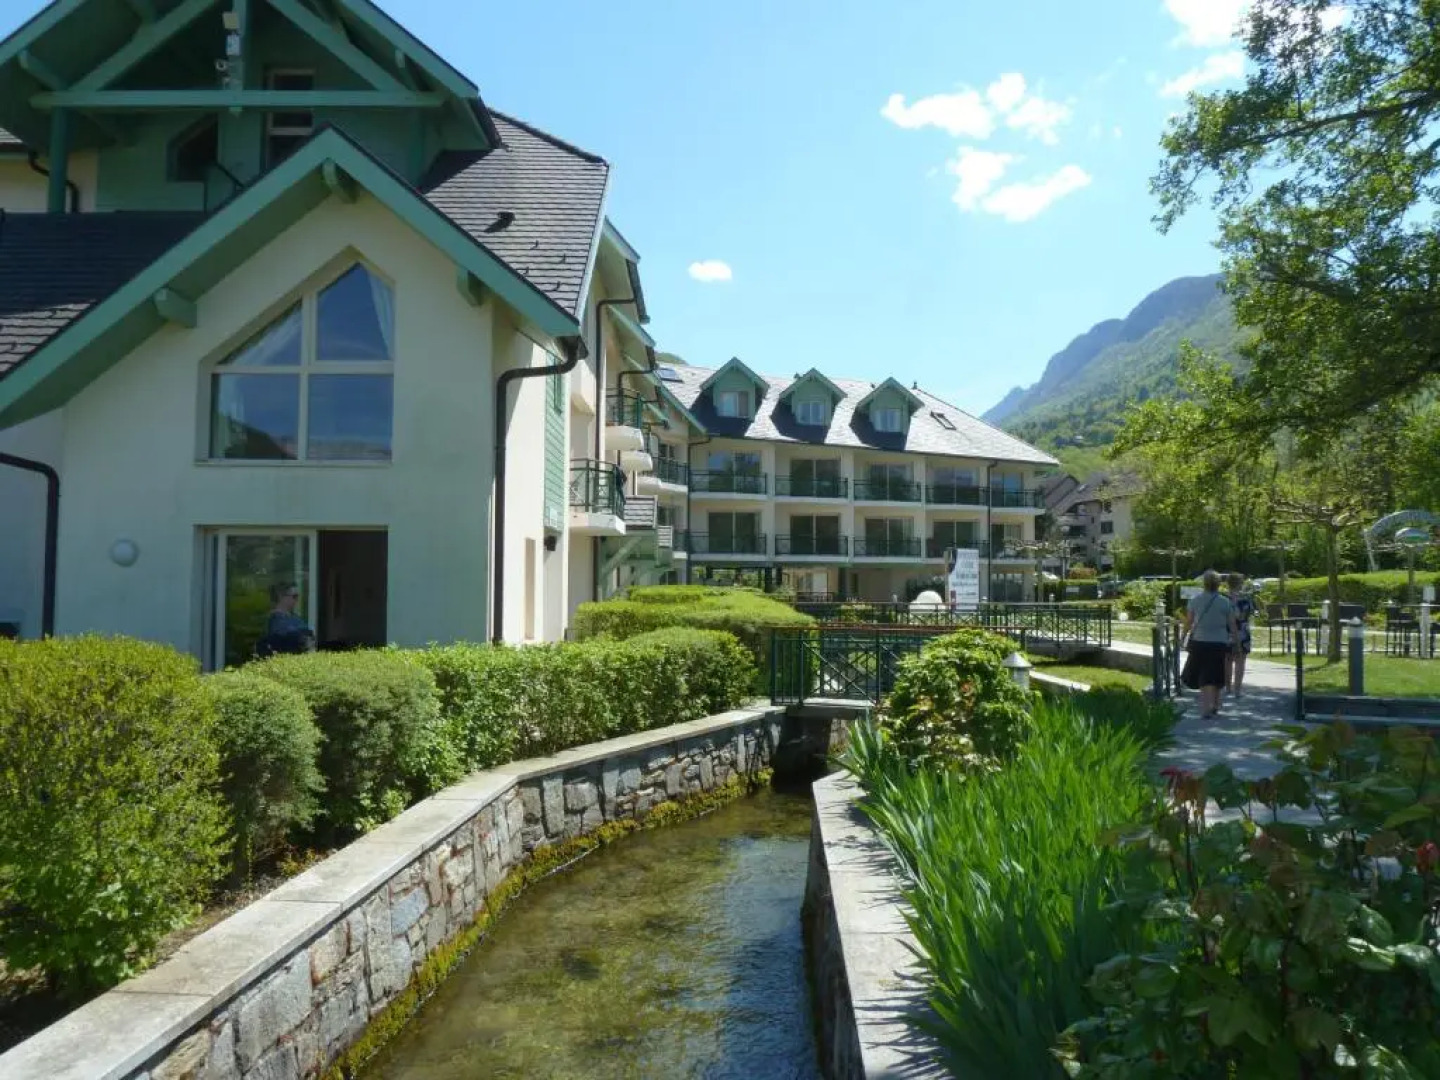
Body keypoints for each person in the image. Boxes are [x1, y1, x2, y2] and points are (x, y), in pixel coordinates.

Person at [1184, 570, 1239, 719]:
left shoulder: (1195, 600)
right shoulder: (1225, 602)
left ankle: (1206, 707)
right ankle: (1215, 704)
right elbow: (1232, 625)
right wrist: (1237, 643)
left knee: (1203, 675)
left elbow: (1189, 621)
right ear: (1218, 585)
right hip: (1219, 642)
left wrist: (1182, 636)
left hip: (1200, 641)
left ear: (1204, 584)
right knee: (1216, 673)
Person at [256, 582, 316, 657]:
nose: (297, 600)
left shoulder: (294, 617)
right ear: (281, 596)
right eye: (294, 596)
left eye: (297, 596)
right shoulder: (274, 620)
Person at [1226, 572, 1256, 697]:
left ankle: (1228, 688)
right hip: (1243, 631)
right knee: (1241, 660)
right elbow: (1251, 612)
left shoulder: (1224, 599)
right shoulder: (1246, 599)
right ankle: (1237, 690)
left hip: (1227, 631)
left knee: (1227, 660)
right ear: (1240, 584)